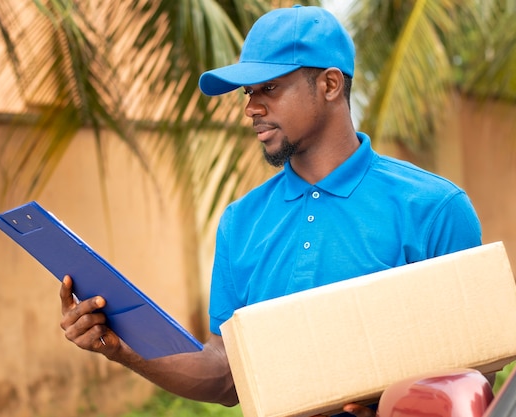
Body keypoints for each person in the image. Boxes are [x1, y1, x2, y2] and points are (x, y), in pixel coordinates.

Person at [59, 5, 482, 417]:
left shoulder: (434, 209)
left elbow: (472, 380)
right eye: (249, 92)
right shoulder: (241, 223)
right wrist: (124, 350)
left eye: (270, 88)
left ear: (330, 85)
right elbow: (228, 375)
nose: (251, 107)